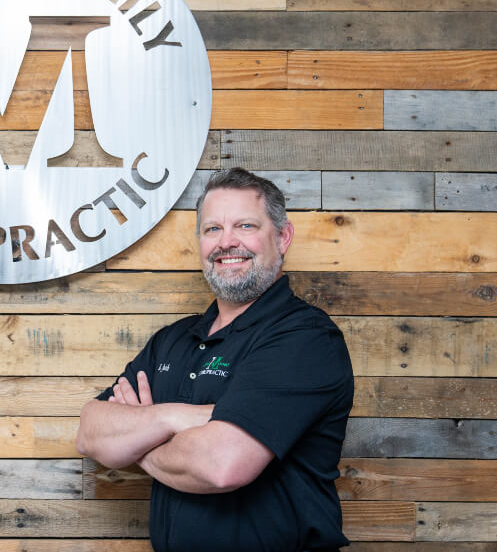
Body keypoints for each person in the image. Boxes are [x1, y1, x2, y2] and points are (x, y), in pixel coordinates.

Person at [76, 168, 354, 552]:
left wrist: (135, 441)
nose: (227, 242)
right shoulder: (172, 340)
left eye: (245, 225)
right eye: (212, 230)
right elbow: (90, 431)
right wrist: (170, 417)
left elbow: (221, 466)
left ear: (282, 236)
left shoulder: (305, 339)